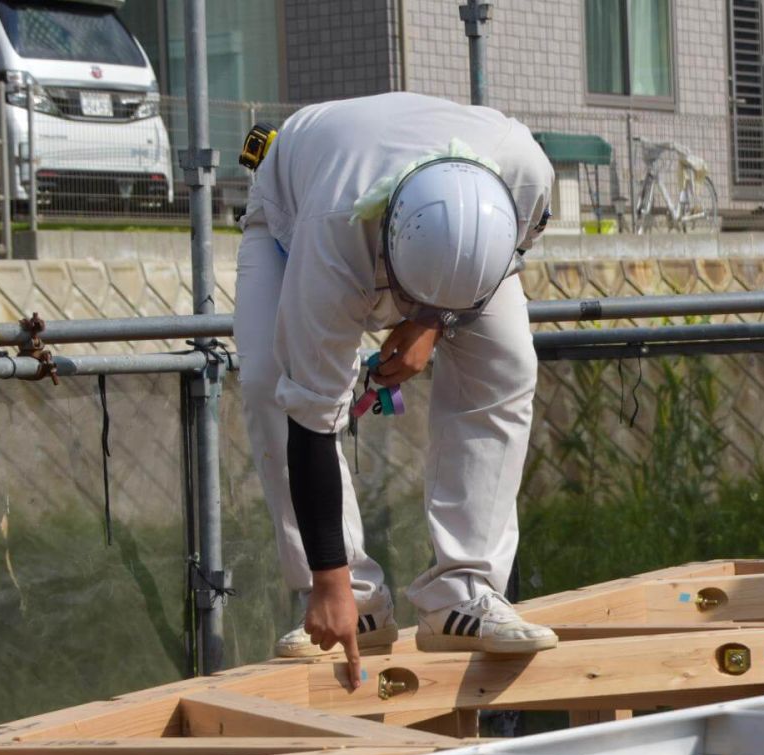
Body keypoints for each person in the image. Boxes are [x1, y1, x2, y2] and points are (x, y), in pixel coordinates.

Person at [235, 92, 557, 689]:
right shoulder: (333, 241)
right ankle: (349, 597)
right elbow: (312, 418)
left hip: (444, 214)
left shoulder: (525, 172)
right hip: (294, 203)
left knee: (507, 368)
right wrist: (329, 578)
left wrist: (432, 320)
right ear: (388, 254)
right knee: (266, 381)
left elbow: (499, 258)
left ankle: (464, 593)